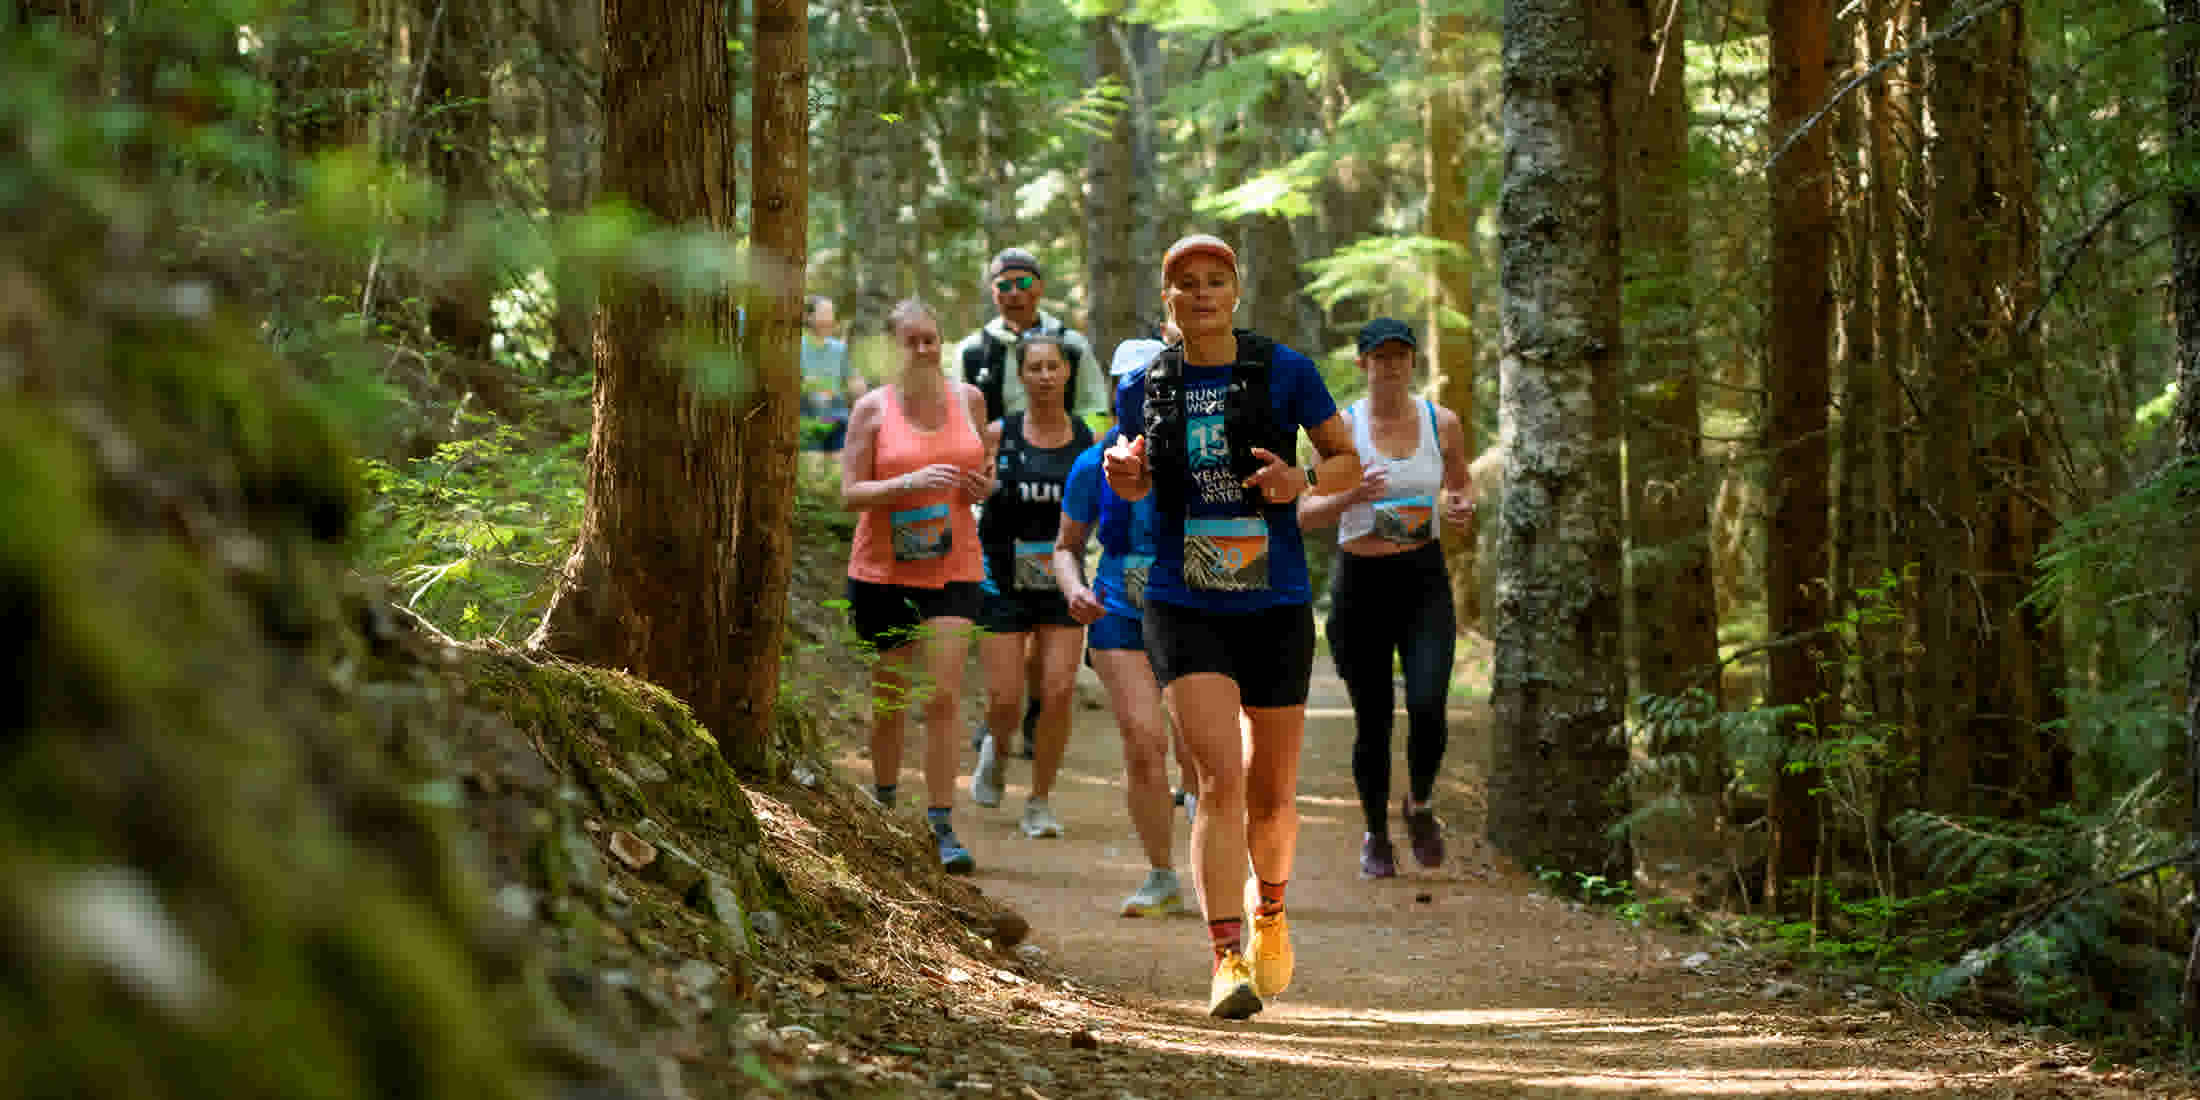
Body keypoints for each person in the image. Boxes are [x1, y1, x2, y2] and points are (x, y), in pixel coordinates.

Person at [1102, 234, 1358, 1019]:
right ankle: (1225, 959)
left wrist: (1300, 480)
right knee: (1219, 781)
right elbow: (1131, 469)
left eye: (1217, 281)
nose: (1203, 293)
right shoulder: (1146, 384)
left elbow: (1344, 460)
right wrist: (1129, 474)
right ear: (1168, 297)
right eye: (1188, 282)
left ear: (1237, 292)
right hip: (1184, 600)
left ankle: (1270, 912)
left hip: (1275, 601)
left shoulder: (1286, 372)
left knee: (1275, 795)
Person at [1297, 318, 1475, 879]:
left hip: (1422, 580)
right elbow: (1304, 513)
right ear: (1362, 364)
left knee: (1428, 705)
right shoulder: (1340, 429)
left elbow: (1460, 487)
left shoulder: (1441, 423)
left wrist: (1461, 507)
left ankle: (1419, 805)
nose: (1390, 366)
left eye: (1400, 356)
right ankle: (1376, 832)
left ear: (1413, 362)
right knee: (1372, 720)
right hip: (1360, 584)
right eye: (1379, 357)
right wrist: (1353, 493)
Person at [839, 298, 994, 874]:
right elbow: (849, 493)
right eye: (913, 341)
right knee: (892, 695)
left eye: (932, 338)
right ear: (893, 347)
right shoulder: (872, 411)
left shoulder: (969, 400)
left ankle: (940, 821)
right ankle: (882, 803)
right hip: (884, 570)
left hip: (954, 567)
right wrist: (905, 483)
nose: (926, 349)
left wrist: (982, 487)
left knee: (943, 694)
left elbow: (983, 469)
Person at [1053, 335, 1203, 917]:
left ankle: (1215, 865)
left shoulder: (1192, 457)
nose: (1137, 395)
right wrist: (1074, 590)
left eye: (1149, 383)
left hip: (1190, 613)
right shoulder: (1092, 464)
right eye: (1127, 384)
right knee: (1145, 743)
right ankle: (1162, 876)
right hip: (1119, 616)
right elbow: (1065, 547)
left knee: (1196, 747)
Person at [955, 247, 1103, 761]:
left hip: (1060, 500)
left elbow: (1095, 413)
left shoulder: (1073, 345)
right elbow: (963, 420)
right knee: (1005, 628)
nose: (1014, 293)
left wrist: (1088, 475)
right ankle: (1002, 715)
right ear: (992, 291)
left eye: (1023, 282)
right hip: (999, 503)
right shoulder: (974, 350)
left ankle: (1040, 714)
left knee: (1050, 633)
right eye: (1004, 284)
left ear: (1039, 286)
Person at [968, 332, 1094, 839]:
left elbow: (1101, 507)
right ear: (1020, 376)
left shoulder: (1086, 439)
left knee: (1058, 691)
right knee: (1004, 698)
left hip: (1062, 581)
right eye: (1034, 367)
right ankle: (995, 751)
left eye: (1053, 366)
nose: (1044, 375)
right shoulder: (999, 434)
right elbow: (970, 488)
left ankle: (1040, 800)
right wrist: (981, 487)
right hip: (1001, 577)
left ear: (1067, 373)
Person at [801, 295, 866, 454]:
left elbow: (853, 381)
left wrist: (858, 386)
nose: (829, 320)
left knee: (840, 469)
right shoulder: (797, 347)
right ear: (808, 317)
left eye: (831, 315)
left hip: (838, 421)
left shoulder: (840, 349)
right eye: (824, 314)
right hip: (809, 423)